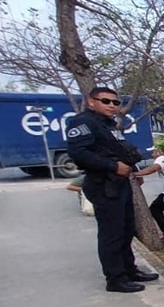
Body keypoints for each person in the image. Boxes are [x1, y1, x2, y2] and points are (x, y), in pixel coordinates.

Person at [65, 86, 158, 293]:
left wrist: (131, 169)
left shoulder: (107, 124)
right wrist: (114, 167)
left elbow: (120, 150)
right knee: (112, 234)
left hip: (119, 183)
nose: (112, 106)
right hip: (103, 184)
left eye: (116, 102)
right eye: (106, 101)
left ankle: (128, 270)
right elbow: (79, 153)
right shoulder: (83, 123)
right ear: (91, 102)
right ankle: (115, 279)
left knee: (126, 230)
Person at [135, 145, 164, 244]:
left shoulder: (162, 159)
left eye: (154, 152)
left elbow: (153, 169)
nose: (152, 155)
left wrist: (136, 174)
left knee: (154, 209)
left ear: (159, 152)